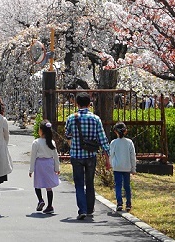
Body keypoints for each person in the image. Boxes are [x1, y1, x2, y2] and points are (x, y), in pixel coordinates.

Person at [64, 92, 111, 220]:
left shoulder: (71, 118)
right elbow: (102, 138)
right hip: (91, 155)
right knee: (90, 182)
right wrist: (107, 156)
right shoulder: (96, 119)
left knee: (79, 183)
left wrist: (72, 143)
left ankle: (82, 210)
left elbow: (67, 135)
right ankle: (90, 209)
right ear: (89, 104)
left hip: (76, 155)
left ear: (77, 104)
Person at [29, 120, 60, 215]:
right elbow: (56, 156)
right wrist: (57, 168)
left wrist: (31, 170)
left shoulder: (36, 142)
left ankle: (40, 200)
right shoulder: (52, 142)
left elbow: (33, 157)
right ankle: (50, 205)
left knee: (37, 184)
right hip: (49, 164)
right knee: (48, 186)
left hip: (39, 164)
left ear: (41, 131)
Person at [109, 122, 137, 212]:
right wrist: (133, 168)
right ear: (125, 131)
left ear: (115, 132)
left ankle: (119, 203)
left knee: (118, 185)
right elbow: (133, 156)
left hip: (117, 167)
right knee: (127, 186)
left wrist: (110, 164)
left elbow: (111, 155)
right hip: (127, 167)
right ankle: (128, 204)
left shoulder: (113, 142)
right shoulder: (129, 142)